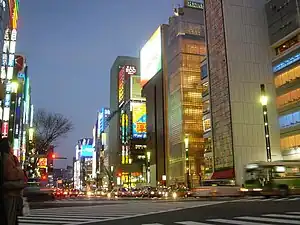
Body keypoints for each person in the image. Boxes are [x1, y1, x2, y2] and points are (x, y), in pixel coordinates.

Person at [0, 138, 25, 225]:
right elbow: (10, 174)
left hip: (12, 193)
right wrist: (20, 170)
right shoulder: (7, 158)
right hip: (10, 193)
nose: (11, 147)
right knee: (10, 218)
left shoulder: (9, 157)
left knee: (11, 217)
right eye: (10, 145)